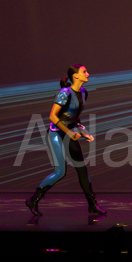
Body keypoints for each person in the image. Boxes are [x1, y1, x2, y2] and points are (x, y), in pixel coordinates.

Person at [25, 65, 107, 216]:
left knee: (82, 169)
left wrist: (83, 133)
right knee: (60, 172)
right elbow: (52, 116)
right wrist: (69, 132)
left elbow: (74, 117)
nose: (88, 74)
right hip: (56, 133)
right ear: (75, 76)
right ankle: (33, 199)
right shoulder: (64, 93)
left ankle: (92, 205)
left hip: (69, 133)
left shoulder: (83, 92)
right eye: (84, 72)